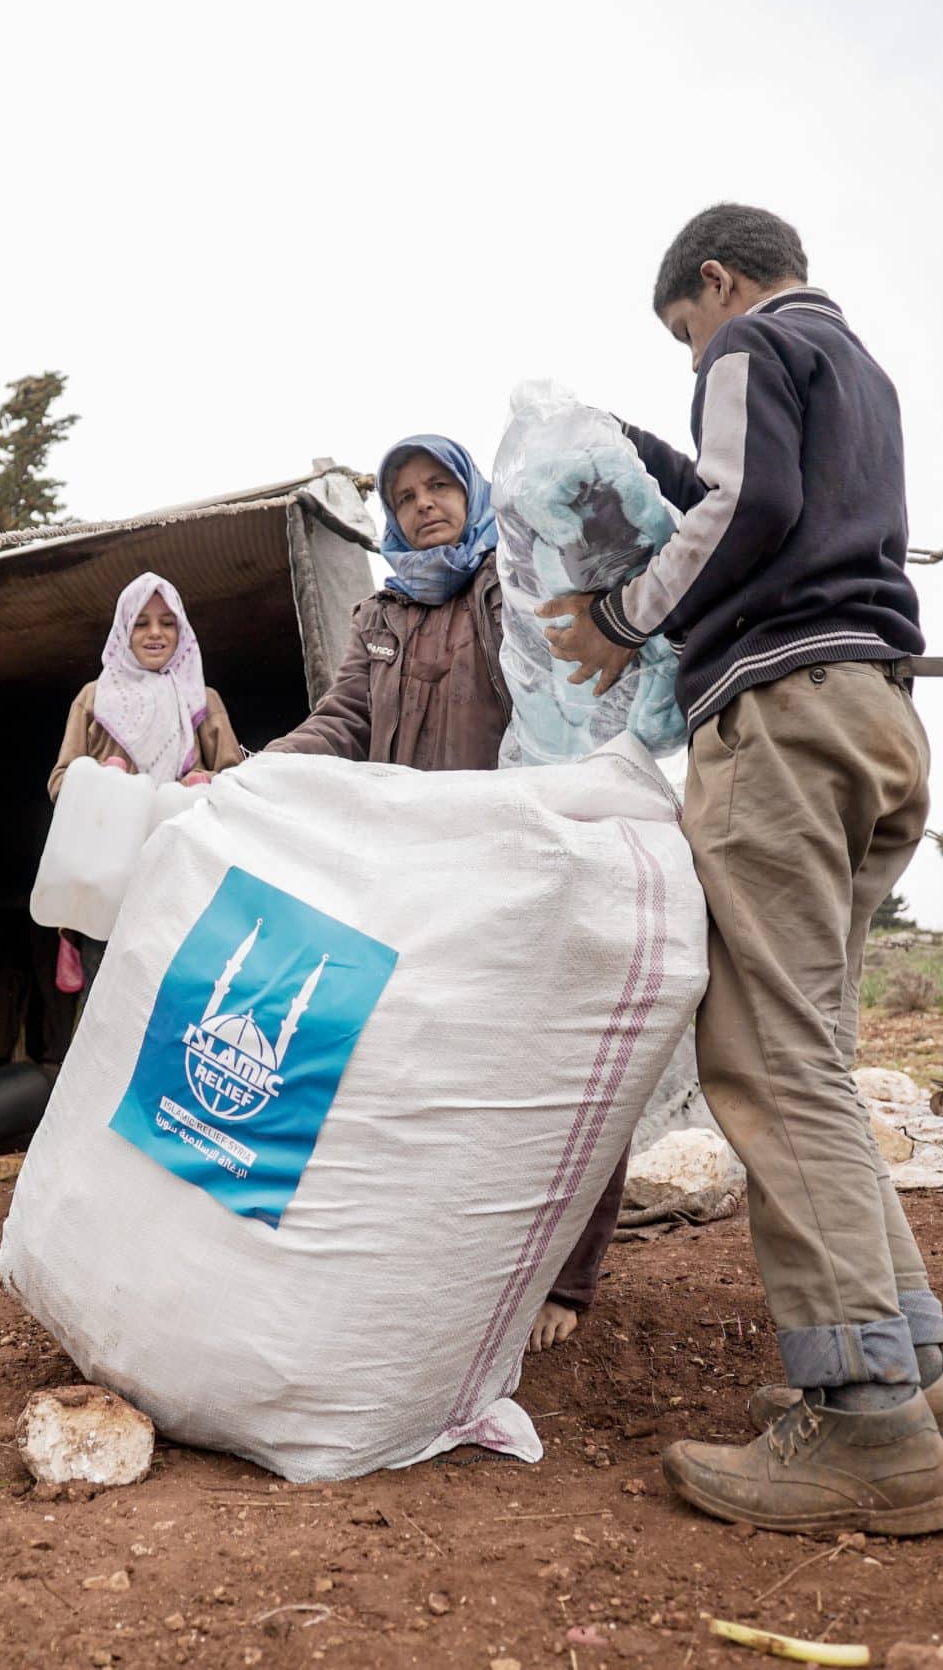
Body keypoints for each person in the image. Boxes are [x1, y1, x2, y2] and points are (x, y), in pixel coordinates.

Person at [538, 204, 943, 1535]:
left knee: (764, 1062)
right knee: (809, 1051)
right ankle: (925, 1386)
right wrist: (644, 456)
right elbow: (773, 499)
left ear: (717, 281)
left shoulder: (750, 344)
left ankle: (866, 1425)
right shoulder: (857, 367)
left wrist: (624, 614)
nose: (696, 355)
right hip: (878, 715)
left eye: (689, 330)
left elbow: (749, 500)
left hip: (782, 723)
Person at [270, 435, 624, 1354]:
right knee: (418, 1065)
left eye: (438, 486)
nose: (425, 504)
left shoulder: (505, 584)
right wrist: (258, 772)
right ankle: (436, 1263)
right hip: (411, 872)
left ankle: (564, 1280)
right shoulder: (382, 610)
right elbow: (345, 719)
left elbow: (560, 695)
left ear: (472, 492)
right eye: (405, 494)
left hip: (513, 856)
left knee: (552, 1060)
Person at [46, 572, 247, 994]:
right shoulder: (94, 697)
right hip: (106, 882)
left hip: (177, 882)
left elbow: (236, 781)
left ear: (182, 630)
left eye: (167, 622)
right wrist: (103, 784)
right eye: (141, 622)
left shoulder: (202, 700)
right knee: (105, 1007)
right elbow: (60, 780)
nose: (155, 633)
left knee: (169, 1001)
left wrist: (201, 780)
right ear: (123, 630)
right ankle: (74, 933)